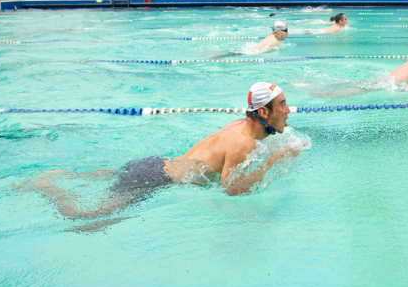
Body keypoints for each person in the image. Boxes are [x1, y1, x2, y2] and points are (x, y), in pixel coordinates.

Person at [18, 83, 300, 222]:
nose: (288, 110)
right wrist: (276, 160)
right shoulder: (244, 143)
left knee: (103, 177)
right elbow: (231, 190)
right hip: (155, 179)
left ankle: (58, 175)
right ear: (264, 112)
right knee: (87, 220)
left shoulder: (241, 126)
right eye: (283, 105)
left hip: (154, 165)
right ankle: (46, 187)